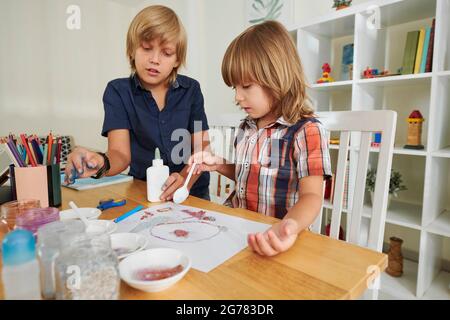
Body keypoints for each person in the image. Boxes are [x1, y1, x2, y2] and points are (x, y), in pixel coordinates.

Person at [189, 21, 332, 256]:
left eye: (246, 85)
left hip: (277, 239)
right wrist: (217, 164)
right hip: (239, 230)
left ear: (278, 77)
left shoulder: (305, 131)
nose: (237, 96)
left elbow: (312, 196)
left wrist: (289, 226)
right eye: (234, 87)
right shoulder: (246, 127)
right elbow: (249, 175)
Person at [64, 5, 210, 201]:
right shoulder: (118, 92)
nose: (154, 59)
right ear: (132, 50)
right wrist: (101, 162)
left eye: (166, 53)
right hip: (145, 193)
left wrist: (184, 180)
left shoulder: (191, 90)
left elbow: (202, 147)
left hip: (192, 193)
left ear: (177, 60)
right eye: (147, 48)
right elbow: (119, 154)